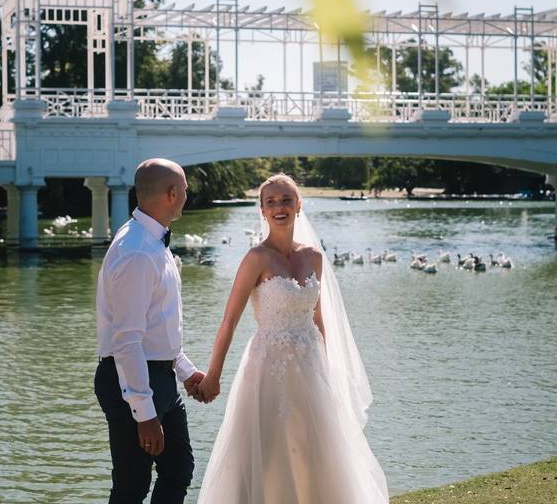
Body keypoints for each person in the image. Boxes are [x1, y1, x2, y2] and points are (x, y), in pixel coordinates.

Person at [195, 173, 388, 503]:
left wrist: (329, 371)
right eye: (270, 202)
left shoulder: (313, 256)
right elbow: (229, 321)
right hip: (268, 368)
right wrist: (213, 377)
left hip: (311, 366)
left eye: (286, 200)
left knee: (315, 451)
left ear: (299, 206)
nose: (279, 207)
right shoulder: (256, 258)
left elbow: (318, 319)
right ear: (262, 211)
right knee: (269, 452)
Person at [94, 158, 206, 504]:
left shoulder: (150, 242)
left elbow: (157, 325)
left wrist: (184, 371)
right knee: (132, 486)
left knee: (178, 469)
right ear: (172, 193)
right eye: (185, 190)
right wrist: (144, 413)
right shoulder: (137, 251)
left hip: (159, 376)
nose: (187, 196)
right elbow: (126, 339)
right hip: (132, 380)